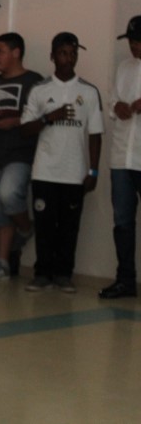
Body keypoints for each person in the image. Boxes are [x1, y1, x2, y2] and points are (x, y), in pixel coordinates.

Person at [20, 32, 103, 293]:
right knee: (45, 226)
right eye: (63, 53)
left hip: (75, 173)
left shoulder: (89, 91)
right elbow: (25, 129)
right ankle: (42, 274)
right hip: (45, 171)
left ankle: (64, 274)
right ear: (53, 56)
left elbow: (95, 134)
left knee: (69, 227)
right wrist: (48, 117)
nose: (69, 58)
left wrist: (93, 170)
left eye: (73, 53)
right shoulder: (40, 89)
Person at [0, 33, 44, 282]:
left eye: (0, 51)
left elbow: (41, 116)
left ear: (16, 53)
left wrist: (14, 121)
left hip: (22, 153)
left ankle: (26, 229)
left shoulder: (34, 80)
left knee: (8, 194)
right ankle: (2, 264)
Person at [100, 15, 141, 299]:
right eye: (131, 41)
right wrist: (118, 107)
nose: (133, 46)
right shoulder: (124, 67)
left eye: (138, 41)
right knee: (123, 221)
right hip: (121, 157)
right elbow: (112, 100)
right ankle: (125, 280)